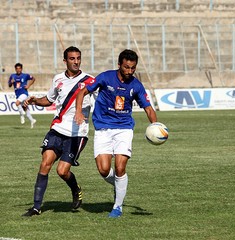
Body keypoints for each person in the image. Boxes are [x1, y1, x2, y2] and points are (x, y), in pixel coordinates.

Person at [74, 49, 157, 218]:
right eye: (127, 67)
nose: (130, 71)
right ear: (119, 65)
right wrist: (78, 111)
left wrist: (155, 125)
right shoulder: (105, 77)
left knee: (120, 167)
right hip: (103, 128)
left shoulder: (136, 85)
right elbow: (83, 92)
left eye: (133, 68)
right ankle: (119, 185)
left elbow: (148, 107)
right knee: (104, 170)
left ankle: (117, 207)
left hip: (124, 129)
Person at [22, 46, 96, 217]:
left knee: (62, 171)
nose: (76, 61)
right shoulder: (58, 79)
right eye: (72, 58)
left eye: (78, 58)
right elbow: (48, 100)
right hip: (57, 128)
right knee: (45, 163)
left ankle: (75, 188)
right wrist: (34, 101)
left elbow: (103, 99)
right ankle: (36, 207)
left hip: (77, 133)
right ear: (65, 61)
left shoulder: (90, 80)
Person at [8, 63, 36, 128]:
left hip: (24, 93)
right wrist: (11, 82)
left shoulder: (25, 75)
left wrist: (28, 85)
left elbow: (33, 79)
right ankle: (32, 120)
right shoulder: (12, 76)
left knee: (17, 103)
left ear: (21, 69)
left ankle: (21, 115)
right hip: (18, 94)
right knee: (24, 108)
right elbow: (9, 85)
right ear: (15, 69)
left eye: (19, 68)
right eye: (17, 68)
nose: (18, 70)